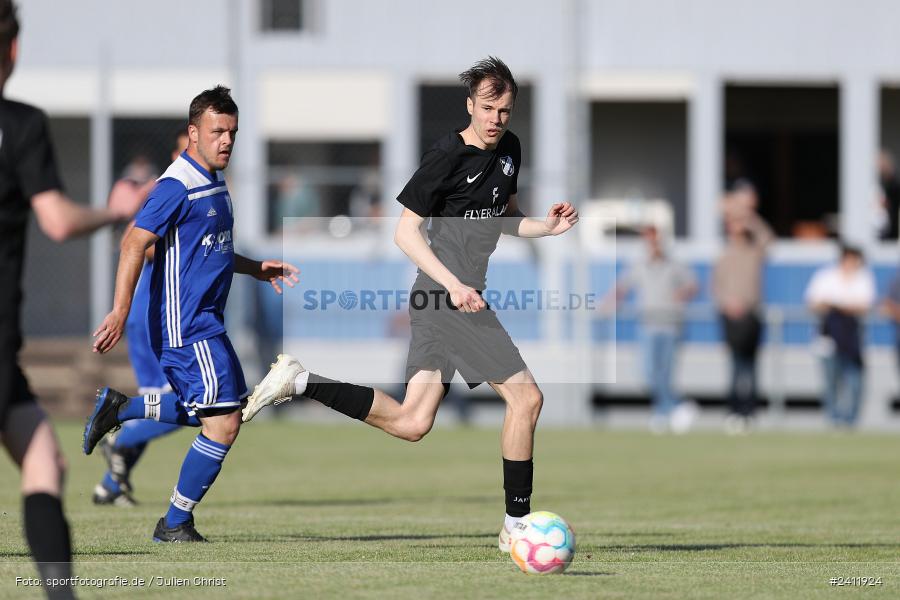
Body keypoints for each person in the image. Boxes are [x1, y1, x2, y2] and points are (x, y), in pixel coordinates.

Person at [241, 57, 578, 552]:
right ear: (470, 105)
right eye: (487, 108)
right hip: (447, 296)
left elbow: (502, 215)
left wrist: (545, 227)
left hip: (446, 298)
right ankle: (517, 526)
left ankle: (299, 380)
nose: (495, 119)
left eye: (504, 110)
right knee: (527, 400)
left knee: (412, 422)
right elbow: (404, 232)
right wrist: (455, 285)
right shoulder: (446, 156)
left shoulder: (510, 150)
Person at [83, 85, 299, 542]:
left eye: (232, 132)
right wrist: (120, 311)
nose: (226, 140)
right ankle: (175, 522)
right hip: (186, 326)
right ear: (193, 133)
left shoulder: (212, 180)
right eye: (217, 131)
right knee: (223, 421)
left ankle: (123, 410)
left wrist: (253, 268)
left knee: (222, 410)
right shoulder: (175, 185)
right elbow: (133, 244)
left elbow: (208, 250)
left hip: (204, 323)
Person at [0, 1, 146, 596]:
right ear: (12, 48)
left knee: (44, 459)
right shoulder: (21, 124)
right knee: (43, 467)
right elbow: (58, 221)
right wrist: (118, 211)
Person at [91, 129, 190, 507]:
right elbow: (133, 242)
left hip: (164, 315)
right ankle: (119, 435)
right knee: (184, 406)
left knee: (158, 404)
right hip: (154, 317)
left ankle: (110, 486)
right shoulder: (169, 186)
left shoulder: (200, 187)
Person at [609, 225, 698, 432]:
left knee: (666, 372)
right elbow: (623, 287)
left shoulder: (674, 264)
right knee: (648, 372)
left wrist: (680, 295)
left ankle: (663, 412)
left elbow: (692, 285)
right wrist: (607, 305)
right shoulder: (639, 265)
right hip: (648, 324)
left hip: (670, 324)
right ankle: (676, 407)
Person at [713, 184, 773, 433]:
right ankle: (734, 410)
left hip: (751, 314)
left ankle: (750, 411)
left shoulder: (754, 251)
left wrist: (746, 213)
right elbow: (716, 287)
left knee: (751, 366)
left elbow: (768, 238)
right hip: (730, 316)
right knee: (736, 366)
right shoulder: (724, 254)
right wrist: (728, 304)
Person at [805, 244, 875, 428]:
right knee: (831, 381)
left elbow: (865, 305)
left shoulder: (863, 278)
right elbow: (813, 302)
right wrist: (836, 306)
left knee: (855, 381)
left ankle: (851, 421)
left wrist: (840, 306)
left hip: (853, 338)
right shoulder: (826, 276)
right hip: (828, 337)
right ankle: (834, 421)